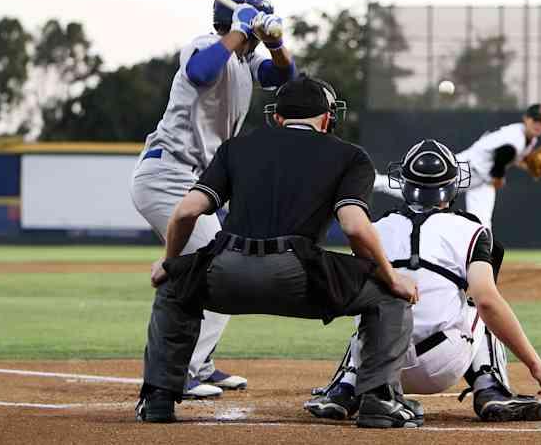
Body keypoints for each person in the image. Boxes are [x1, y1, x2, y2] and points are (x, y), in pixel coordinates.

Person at [135, 75, 425, 429]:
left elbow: (185, 212)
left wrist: (171, 263)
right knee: (387, 296)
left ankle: (158, 399)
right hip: (298, 276)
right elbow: (354, 226)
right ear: (327, 118)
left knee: (173, 288)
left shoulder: (235, 148)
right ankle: (379, 398)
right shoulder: (350, 156)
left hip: (225, 271)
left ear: (277, 117)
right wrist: (389, 277)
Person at [306, 139, 541, 422]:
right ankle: (491, 390)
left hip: (378, 370)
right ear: (451, 186)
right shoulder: (471, 230)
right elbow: (488, 301)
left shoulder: (374, 231)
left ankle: (344, 389)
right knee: (478, 303)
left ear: (404, 184)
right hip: (442, 364)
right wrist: (536, 365)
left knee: (373, 309)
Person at [129, 0, 295, 398]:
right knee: (215, 267)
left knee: (226, 263)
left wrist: (276, 45)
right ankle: (180, 370)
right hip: (166, 177)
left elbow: (285, 79)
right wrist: (238, 30)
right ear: (238, 17)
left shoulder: (244, 60)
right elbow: (200, 73)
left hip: (197, 182)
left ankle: (198, 365)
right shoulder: (204, 46)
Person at [374, 104, 541, 229]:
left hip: (481, 180)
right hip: (464, 169)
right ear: (526, 119)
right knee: (421, 195)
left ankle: (481, 260)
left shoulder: (529, 139)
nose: (538, 124)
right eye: (535, 119)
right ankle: (379, 180)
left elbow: (510, 155)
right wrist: (499, 177)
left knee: (482, 224)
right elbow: (504, 153)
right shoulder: (516, 138)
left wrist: (523, 164)